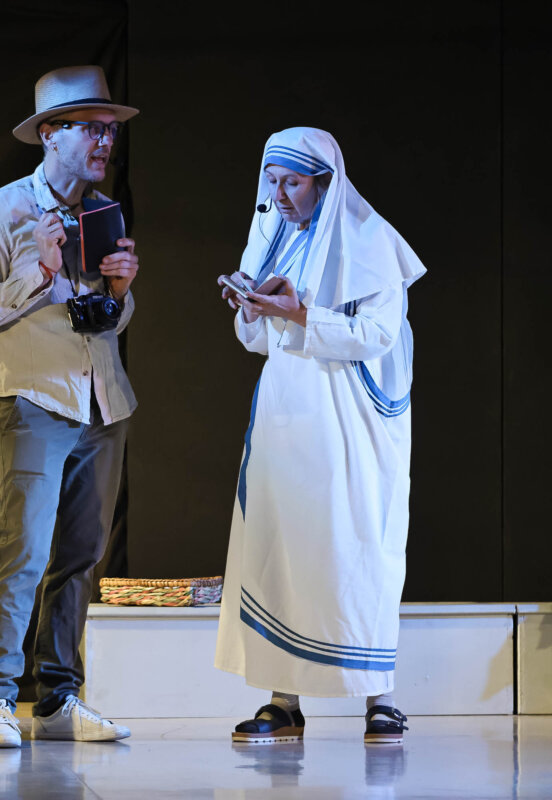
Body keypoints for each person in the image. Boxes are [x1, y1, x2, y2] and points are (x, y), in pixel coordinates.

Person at [213, 127, 426, 745]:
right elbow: (260, 340)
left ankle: (381, 698)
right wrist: (251, 309)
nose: (279, 196)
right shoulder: (275, 237)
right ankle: (283, 701)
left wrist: (300, 313)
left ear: (325, 184)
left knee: (357, 546)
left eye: (293, 182)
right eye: (272, 182)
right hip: (289, 413)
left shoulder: (372, 241)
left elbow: (379, 334)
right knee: (283, 546)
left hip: (353, 420)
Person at [0, 65, 141, 748]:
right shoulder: (1, 211)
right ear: (51, 134)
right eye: (92, 129)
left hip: (102, 401)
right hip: (34, 398)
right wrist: (39, 272)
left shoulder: (104, 210)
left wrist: (119, 292)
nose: (105, 142)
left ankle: (58, 700)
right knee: (25, 550)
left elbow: (106, 322)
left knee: (82, 555)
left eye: (110, 130)